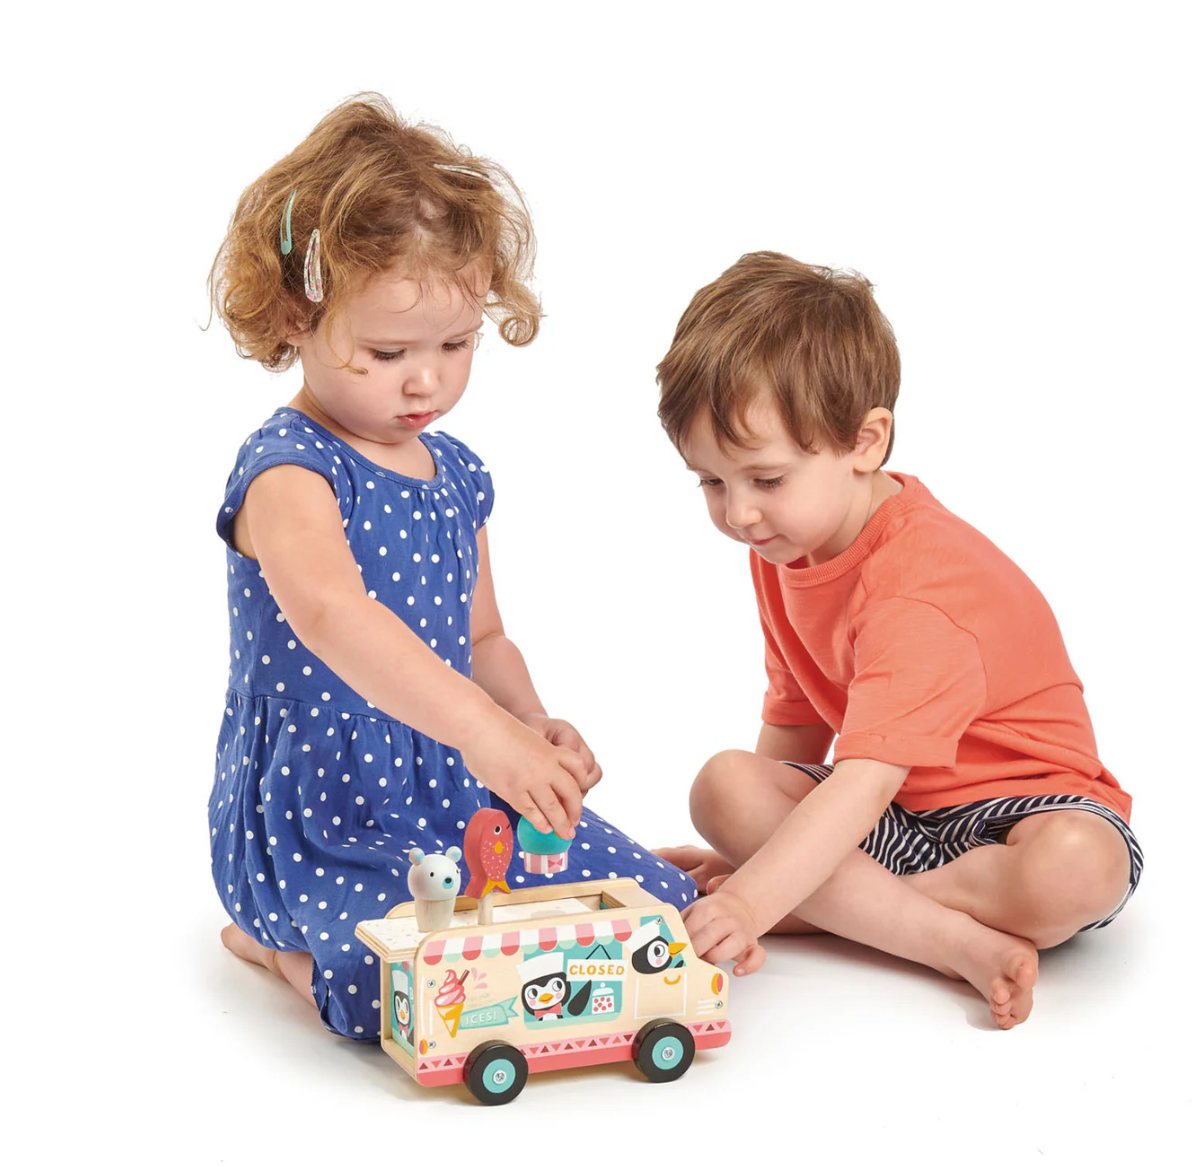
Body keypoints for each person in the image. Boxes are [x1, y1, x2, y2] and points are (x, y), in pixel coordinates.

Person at [207, 94, 694, 1039]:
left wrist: (529, 725)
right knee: (402, 980)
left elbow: (481, 636)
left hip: (452, 787)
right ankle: (273, 947)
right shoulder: (291, 471)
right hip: (323, 805)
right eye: (388, 351)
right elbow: (332, 615)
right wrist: (482, 733)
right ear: (294, 318)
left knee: (649, 918)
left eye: (455, 345)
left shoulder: (458, 475)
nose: (425, 379)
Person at [654, 252, 1142, 1029]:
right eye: (712, 482)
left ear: (865, 440)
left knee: (1079, 871)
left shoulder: (919, 585)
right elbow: (795, 723)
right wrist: (764, 849)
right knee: (723, 785)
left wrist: (758, 893)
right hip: (897, 819)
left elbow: (864, 780)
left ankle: (872, 917)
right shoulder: (785, 547)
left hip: (1020, 815)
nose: (739, 514)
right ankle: (902, 917)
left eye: (766, 480)